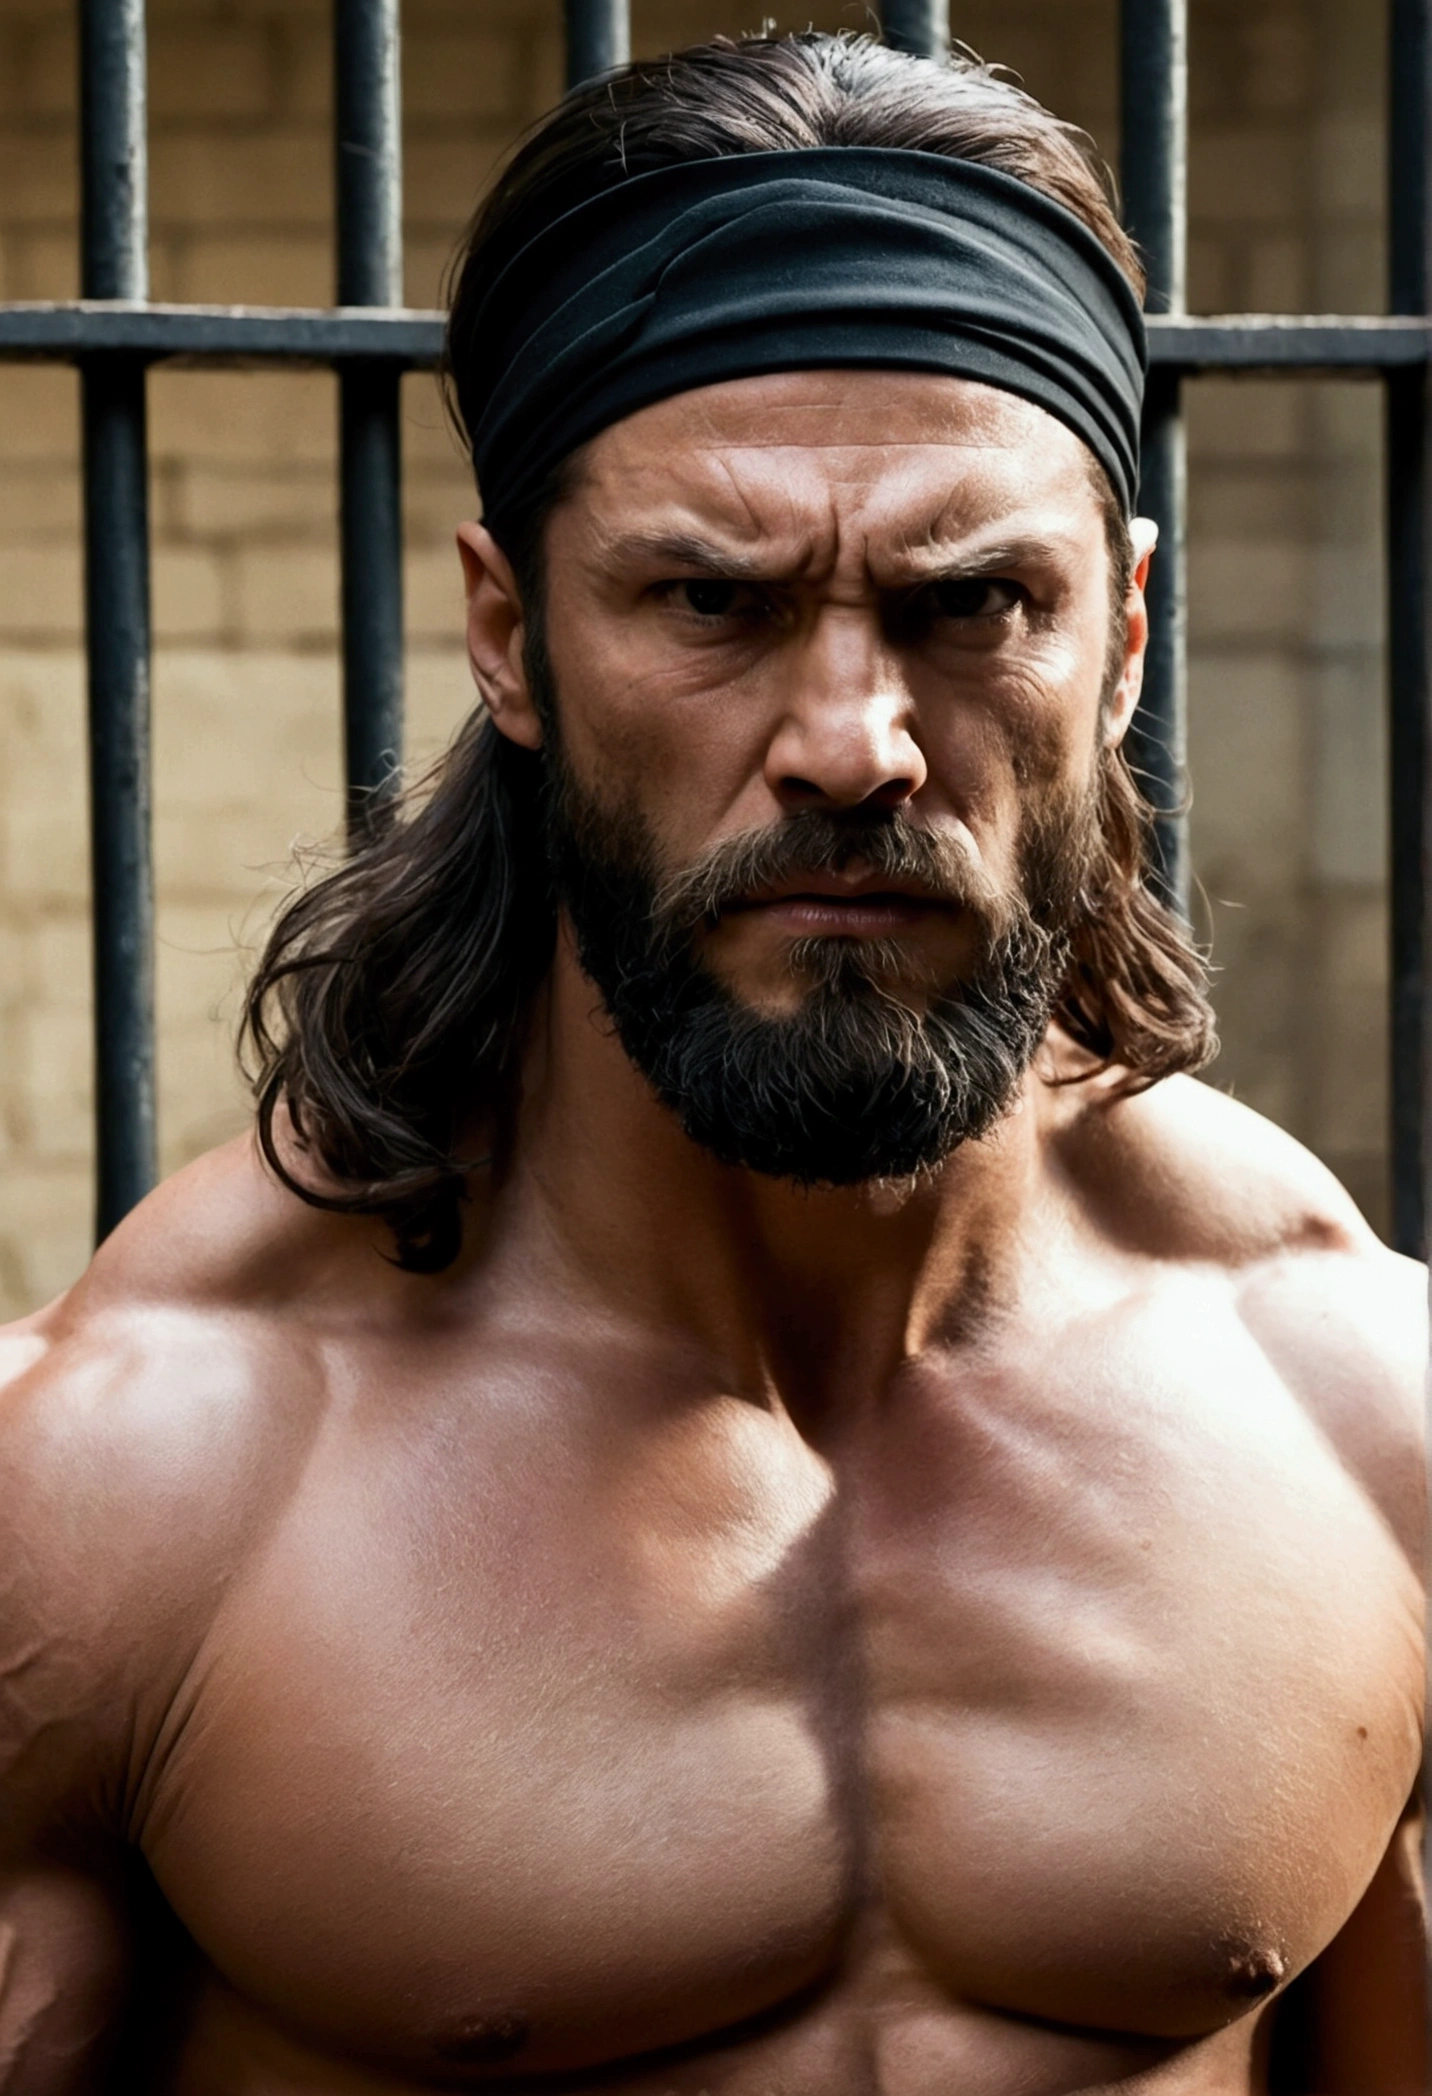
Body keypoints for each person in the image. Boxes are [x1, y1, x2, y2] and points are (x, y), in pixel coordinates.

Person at [0, 32, 1423, 2096]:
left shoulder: (1355, 1406)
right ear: (508, 635)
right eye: (708, 598)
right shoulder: (128, 1477)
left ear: (1118, 639)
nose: (850, 739)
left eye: (968, 603)